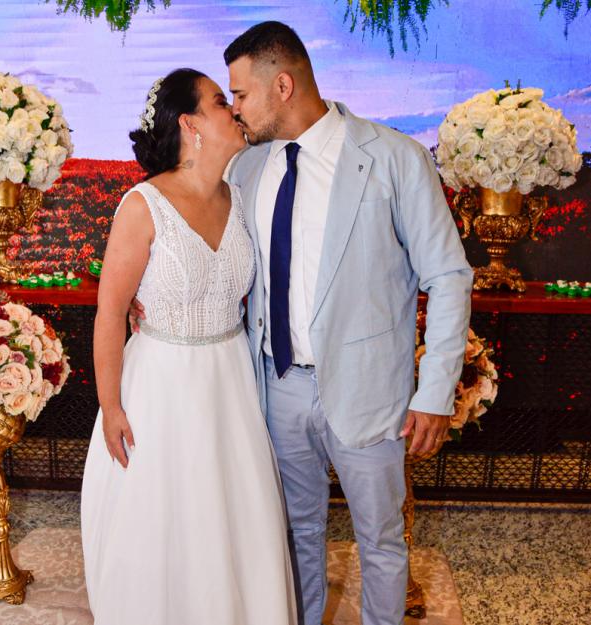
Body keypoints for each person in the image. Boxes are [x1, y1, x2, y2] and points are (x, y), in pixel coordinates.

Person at [131, 21, 473, 625]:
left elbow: (447, 276)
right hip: (276, 385)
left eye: (241, 94)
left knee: (381, 540)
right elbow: (184, 226)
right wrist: (146, 295)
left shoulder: (395, 158)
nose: (236, 109)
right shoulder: (246, 168)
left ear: (282, 86)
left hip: (370, 389)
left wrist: (435, 391)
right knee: (292, 533)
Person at [81, 68, 297, 625]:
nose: (235, 110)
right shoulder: (143, 205)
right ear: (190, 124)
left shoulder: (240, 199)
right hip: (161, 385)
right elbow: (110, 312)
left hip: (231, 383)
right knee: (166, 521)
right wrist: (110, 406)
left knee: (233, 518)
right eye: (221, 102)